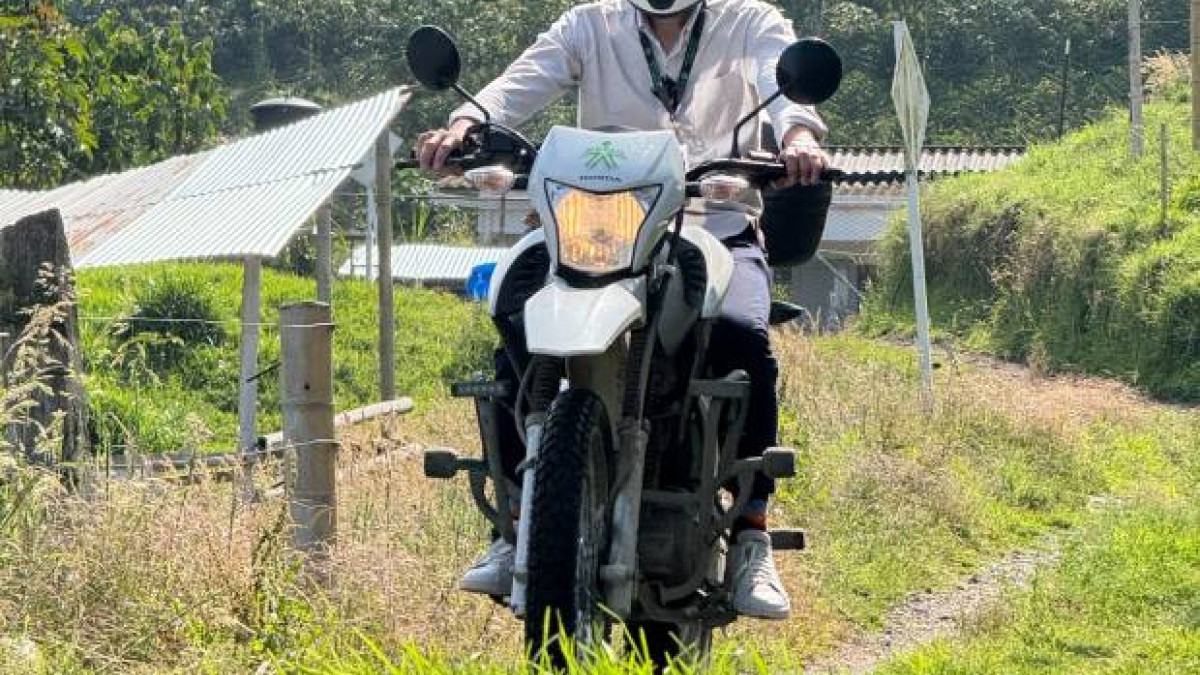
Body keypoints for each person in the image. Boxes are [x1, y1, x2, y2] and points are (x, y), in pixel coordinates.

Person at [415, 0, 830, 621]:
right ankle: (516, 521)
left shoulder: (750, 22)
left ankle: (751, 532)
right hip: (593, 231)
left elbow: (783, 84)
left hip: (712, 225)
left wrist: (797, 134)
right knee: (514, 319)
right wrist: (464, 126)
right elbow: (519, 83)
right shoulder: (590, 24)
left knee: (744, 335)